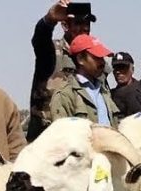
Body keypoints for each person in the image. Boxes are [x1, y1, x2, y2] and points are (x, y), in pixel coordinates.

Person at [28, 0, 95, 140]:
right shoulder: (51, 51)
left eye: (86, 24)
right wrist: (49, 19)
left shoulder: (94, 58)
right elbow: (40, 39)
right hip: (48, 136)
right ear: (65, 25)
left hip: (82, 136)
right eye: (78, 23)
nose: (84, 29)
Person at [48, 33, 118, 125]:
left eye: (102, 58)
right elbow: (62, 134)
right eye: (96, 57)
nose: (102, 62)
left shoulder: (104, 91)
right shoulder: (65, 95)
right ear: (80, 59)